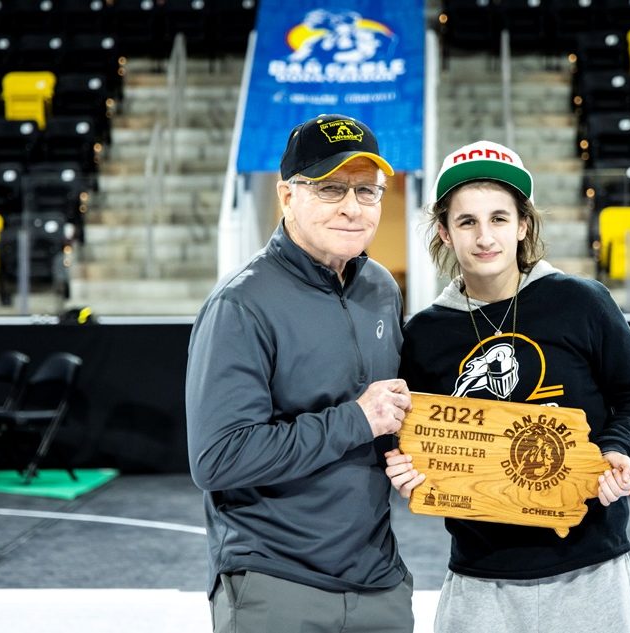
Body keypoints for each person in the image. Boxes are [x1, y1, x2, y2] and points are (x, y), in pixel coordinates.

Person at [385, 140, 630, 633]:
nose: (484, 236)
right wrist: (404, 463)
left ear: (523, 226)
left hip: (590, 568)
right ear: (445, 233)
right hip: (481, 576)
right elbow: (409, 432)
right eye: (466, 221)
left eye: (499, 218)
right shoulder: (425, 334)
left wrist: (620, 450)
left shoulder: (581, 301)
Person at [186, 114, 414, 633]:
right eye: (331, 188)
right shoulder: (240, 304)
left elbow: (389, 417)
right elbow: (218, 458)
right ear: (287, 196)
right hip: (276, 585)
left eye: (367, 190)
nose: (353, 207)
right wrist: (358, 420)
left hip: (379, 583)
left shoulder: (379, 286)